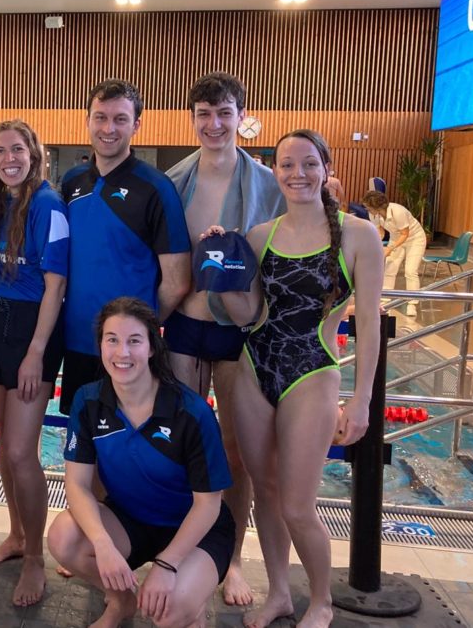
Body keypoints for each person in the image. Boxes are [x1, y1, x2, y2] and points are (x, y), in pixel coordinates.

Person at [211, 129, 382, 628]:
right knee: (265, 491)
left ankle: (322, 600)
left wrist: (362, 400)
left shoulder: (359, 235)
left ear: (326, 169)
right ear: (275, 171)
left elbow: (369, 324)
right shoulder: (261, 235)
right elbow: (248, 315)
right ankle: (280, 593)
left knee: (298, 506)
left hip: (313, 373)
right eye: (287, 164)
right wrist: (221, 264)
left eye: (309, 164)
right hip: (254, 369)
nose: (297, 174)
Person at [163, 72, 286, 605]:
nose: (214, 124)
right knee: (180, 443)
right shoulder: (174, 181)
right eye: (204, 114)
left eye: (224, 113)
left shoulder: (267, 184)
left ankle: (232, 558)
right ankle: (179, 547)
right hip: (185, 326)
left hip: (239, 332)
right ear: (192, 119)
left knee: (236, 448)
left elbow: (288, 254)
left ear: (242, 117)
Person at [47, 297, 235, 628]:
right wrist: (103, 544)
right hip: (131, 520)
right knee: (64, 537)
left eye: (134, 341)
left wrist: (167, 565)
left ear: (151, 347)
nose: (122, 353)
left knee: (168, 611)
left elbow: (209, 505)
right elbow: (76, 485)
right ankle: (122, 602)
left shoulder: (190, 413)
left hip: (196, 530)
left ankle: (192, 603)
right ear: (100, 346)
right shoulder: (88, 401)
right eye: (112, 340)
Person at [0, 119, 68, 607]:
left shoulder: (47, 204)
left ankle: (35, 557)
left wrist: (35, 352)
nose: (9, 159)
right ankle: (15, 536)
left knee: (20, 452)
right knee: (4, 443)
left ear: (34, 154)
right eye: (0, 152)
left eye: (17, 150)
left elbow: (56, 285)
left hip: (30, 329)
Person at [59, 79, 190, 417]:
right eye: (100, 117)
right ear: (87, 120)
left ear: (136, 125)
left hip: (127, 353)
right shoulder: (72, 182)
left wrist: (136, 331)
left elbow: (177, 281)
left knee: (128, 439)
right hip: (77, 341)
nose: (108, 128)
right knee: (81, 438)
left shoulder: (156, 188)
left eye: (120, 119)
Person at [361, 190, 426, 317]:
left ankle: (412, 304)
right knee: (389, 268)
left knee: (410, 271)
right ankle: (385, 301)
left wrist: (390, 248)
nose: (367, 209)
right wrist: (377, 247)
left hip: (415, 239)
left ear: (377, 206)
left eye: (368, 207)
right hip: (396, 238)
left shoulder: (398, 211)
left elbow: (405, 234)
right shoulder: (374, 215)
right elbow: (380, 232)